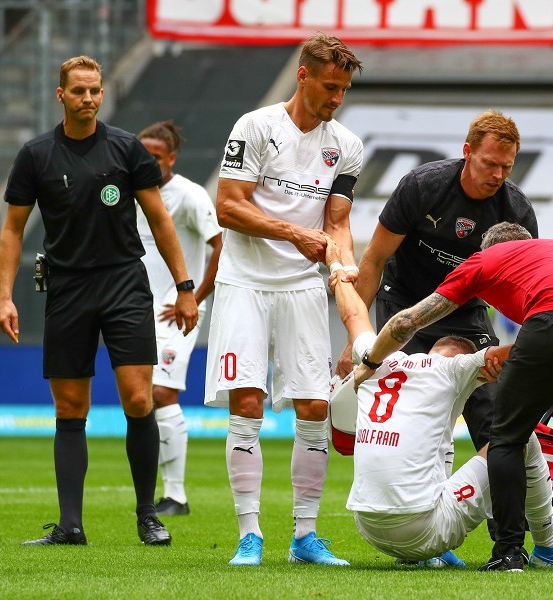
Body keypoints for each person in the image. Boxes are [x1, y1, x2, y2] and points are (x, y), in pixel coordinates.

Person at [0, 56, 198, 547]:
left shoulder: (126, 149)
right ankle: (70, 526)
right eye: (79, 91)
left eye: (95, 91)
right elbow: (13, 229)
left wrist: (185, 287)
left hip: (125, 284)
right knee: (70, 407)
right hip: (66, 287)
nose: (88, 98)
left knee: (137, 397)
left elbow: (160, 221)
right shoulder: (36, 154)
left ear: (102, 94)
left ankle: (148, 515)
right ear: (60, 95)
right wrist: (5, 296)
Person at [353, 222, 553, 572]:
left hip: (552, 320)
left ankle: (509, 552)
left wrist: (371, 361)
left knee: (507, 437)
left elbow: (407, 322)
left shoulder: (484, 261)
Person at [203, 33, 363, 567]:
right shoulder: (255, 126)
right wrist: (294, 235)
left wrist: (343, 270)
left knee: (315, 406)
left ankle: (304, 536)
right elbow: (227, 206)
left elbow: (336, 222)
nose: (336, 98)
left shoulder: (347, 145)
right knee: (246, 402)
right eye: (329, 86)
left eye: (343, 89)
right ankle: (250, 535)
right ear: (303, 75)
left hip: (301, 288)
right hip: (244, 282)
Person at [336, 110, 537, 456]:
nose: (498, 175)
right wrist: (352, 344)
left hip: (466, 312)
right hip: (403, 305)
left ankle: (500, 510)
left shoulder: (516, 211)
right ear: (467, 152)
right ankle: (410, 507)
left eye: (507, 167)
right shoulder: (422, 186)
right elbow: (374, 258)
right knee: (407, 417)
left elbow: (529, 293)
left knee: (494, 419)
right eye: (490, 163)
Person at [136, 120, 223, 517]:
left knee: (161, 393)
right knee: (142, 398)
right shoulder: (129, 193)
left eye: (155, 156)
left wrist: (193, 298)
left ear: (171, 157)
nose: (148, 162)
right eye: (143, 155)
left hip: (177, 310)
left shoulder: (189, 195)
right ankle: (163, 493)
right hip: (135, 307)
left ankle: (176, 496)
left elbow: (221, 247)